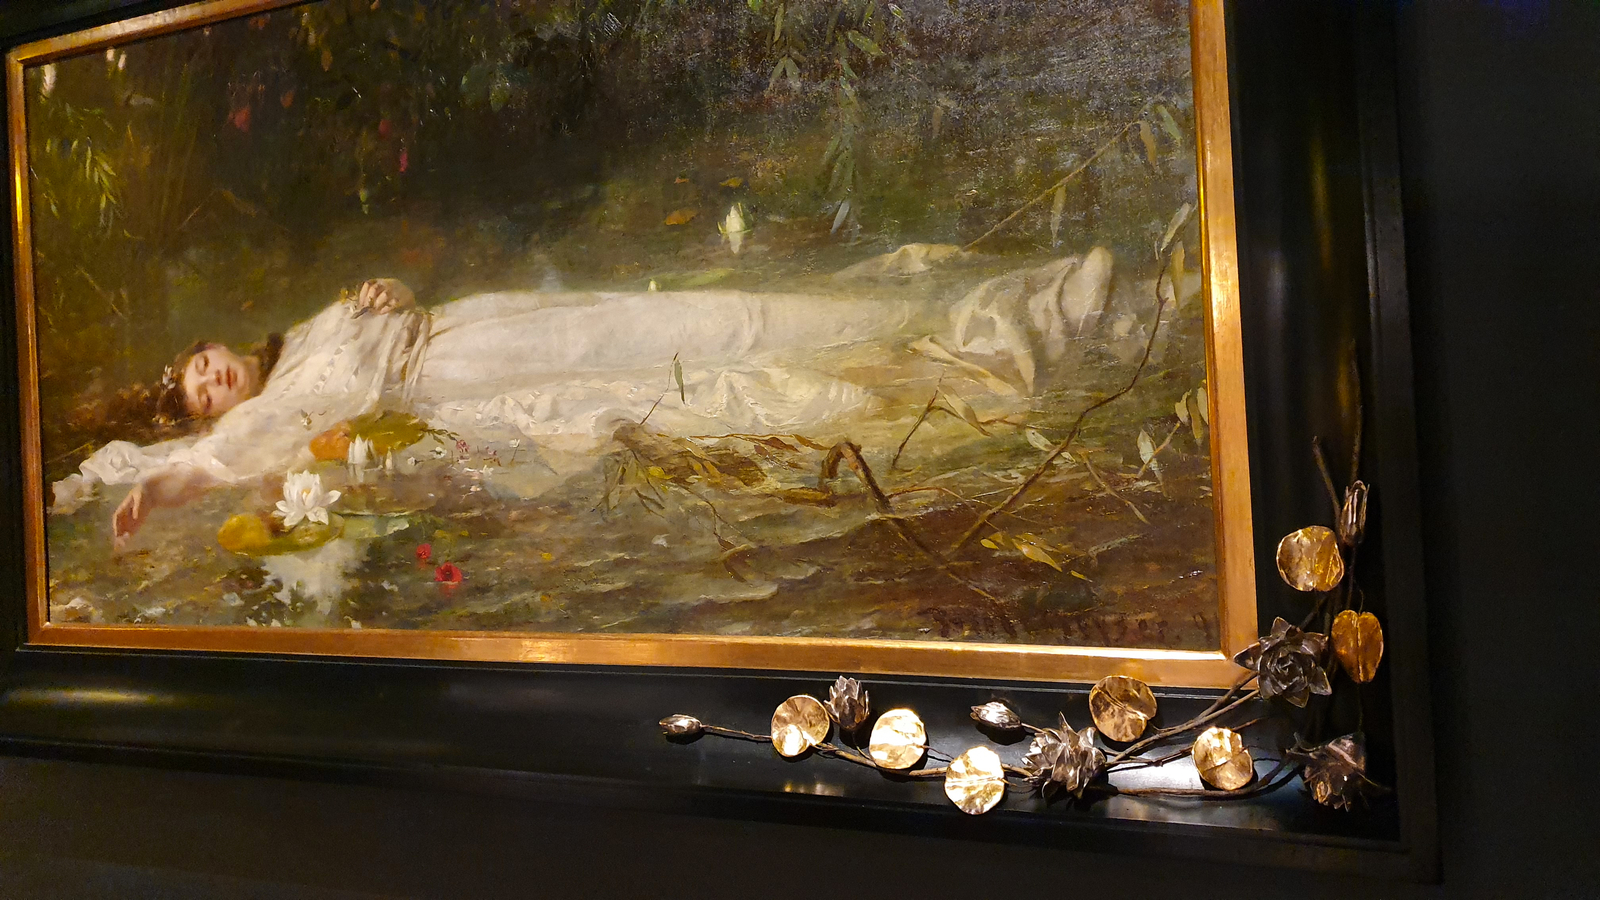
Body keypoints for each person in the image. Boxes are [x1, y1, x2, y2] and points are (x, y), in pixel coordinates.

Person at [55, 248, 1117, 549]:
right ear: (209, 413)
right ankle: (932, 370)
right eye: (200, 394)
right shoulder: (256, 418)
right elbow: (216, 466)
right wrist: (169, 483)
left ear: (219, 346)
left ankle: (899, 319)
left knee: (709, 320)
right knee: (688, 380)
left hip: (487, 322)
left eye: (205, 363)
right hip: (475, 380)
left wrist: (394, 292)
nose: (213, 381)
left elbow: (378, 318)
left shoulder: (308, 328)